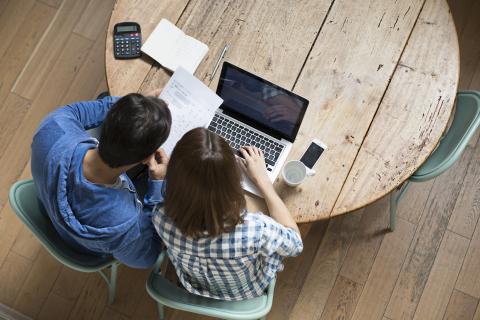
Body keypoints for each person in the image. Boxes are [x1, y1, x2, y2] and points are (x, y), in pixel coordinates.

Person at [152, 127, 303, 300]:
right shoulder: (255, 230)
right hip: (247, 291)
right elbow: (296, 244)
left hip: (193, 284)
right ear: (233, 180)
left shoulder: (159, 216)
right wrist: (263, 181)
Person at [31, 91, 171, 268]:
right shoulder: (124, 223)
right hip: (93, 249)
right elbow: (147, 258)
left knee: (103, 95)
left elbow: (90, 109)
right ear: (147, 158)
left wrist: (135, 111)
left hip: (51, 207)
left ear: (108, 120)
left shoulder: (53, 127)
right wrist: (157, 187)